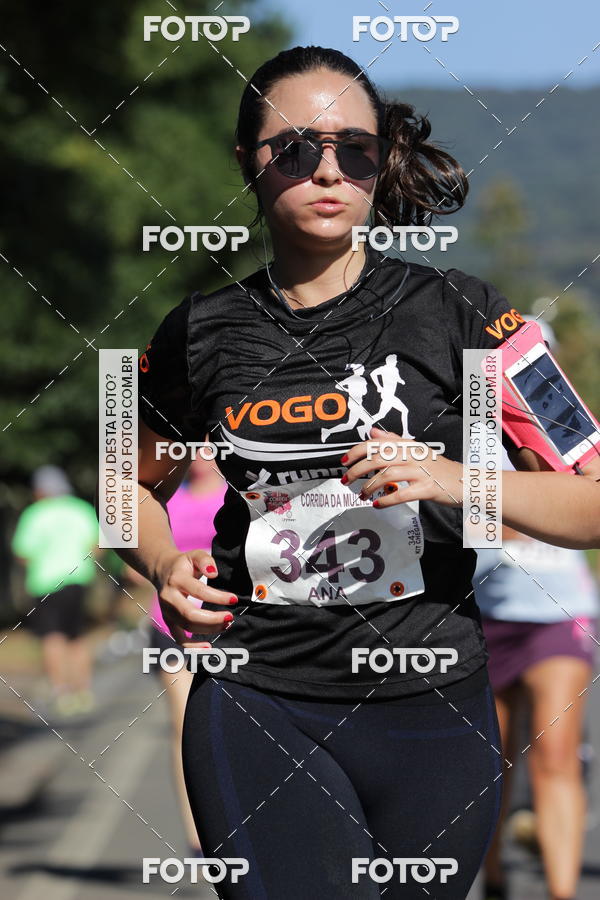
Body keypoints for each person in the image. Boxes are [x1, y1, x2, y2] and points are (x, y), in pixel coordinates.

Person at [115, 46, 600, 898]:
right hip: (259, 699)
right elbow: (119, 481)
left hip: (433, 716)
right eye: (295, 148)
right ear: (248, 164)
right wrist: (160, 562)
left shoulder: (472, 314)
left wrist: (455, 479)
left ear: (382, 162)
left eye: (356, 149)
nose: (328, 170)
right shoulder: (196, 330)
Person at [474, 447, 599, 900]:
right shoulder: (451, 418)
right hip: (486, 613)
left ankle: (562, 893)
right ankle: (494, 881)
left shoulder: (543, 413)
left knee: (556, 754)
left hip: (559, 612)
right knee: (494, 763)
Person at [145, 452, 226, 855]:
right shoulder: (167, 498)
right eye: (190, 445)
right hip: (172, 626)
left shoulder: (237, 494)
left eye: (206, 445)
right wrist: (165, 566)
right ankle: (199, 835)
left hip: (232, 624)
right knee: (186, 724)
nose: (197, 454)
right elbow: (137, 559)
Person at [12, 465, 99, 717]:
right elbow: (96, 545)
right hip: (78, 580)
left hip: (46, 582)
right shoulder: (80, 509)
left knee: (52, 637)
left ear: (40, 490)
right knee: (77, 636)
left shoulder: (34, 514)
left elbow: (22, 553)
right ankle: (83, 691)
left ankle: (62, 693)